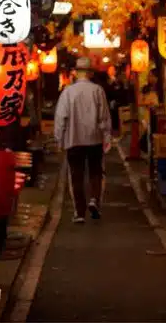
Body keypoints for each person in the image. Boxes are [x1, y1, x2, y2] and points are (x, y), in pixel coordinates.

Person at [54, 57, 112, 223]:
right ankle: (94, 199)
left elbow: (60, 117)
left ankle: (79, 213)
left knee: (76, 175)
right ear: (90, 73)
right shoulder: (97, 91)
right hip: (94, 138)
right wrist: (107, 136)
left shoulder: (68, 92)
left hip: (74, 139)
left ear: (76, 73)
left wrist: (59, 138)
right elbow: (104, 117)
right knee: (95, 172)